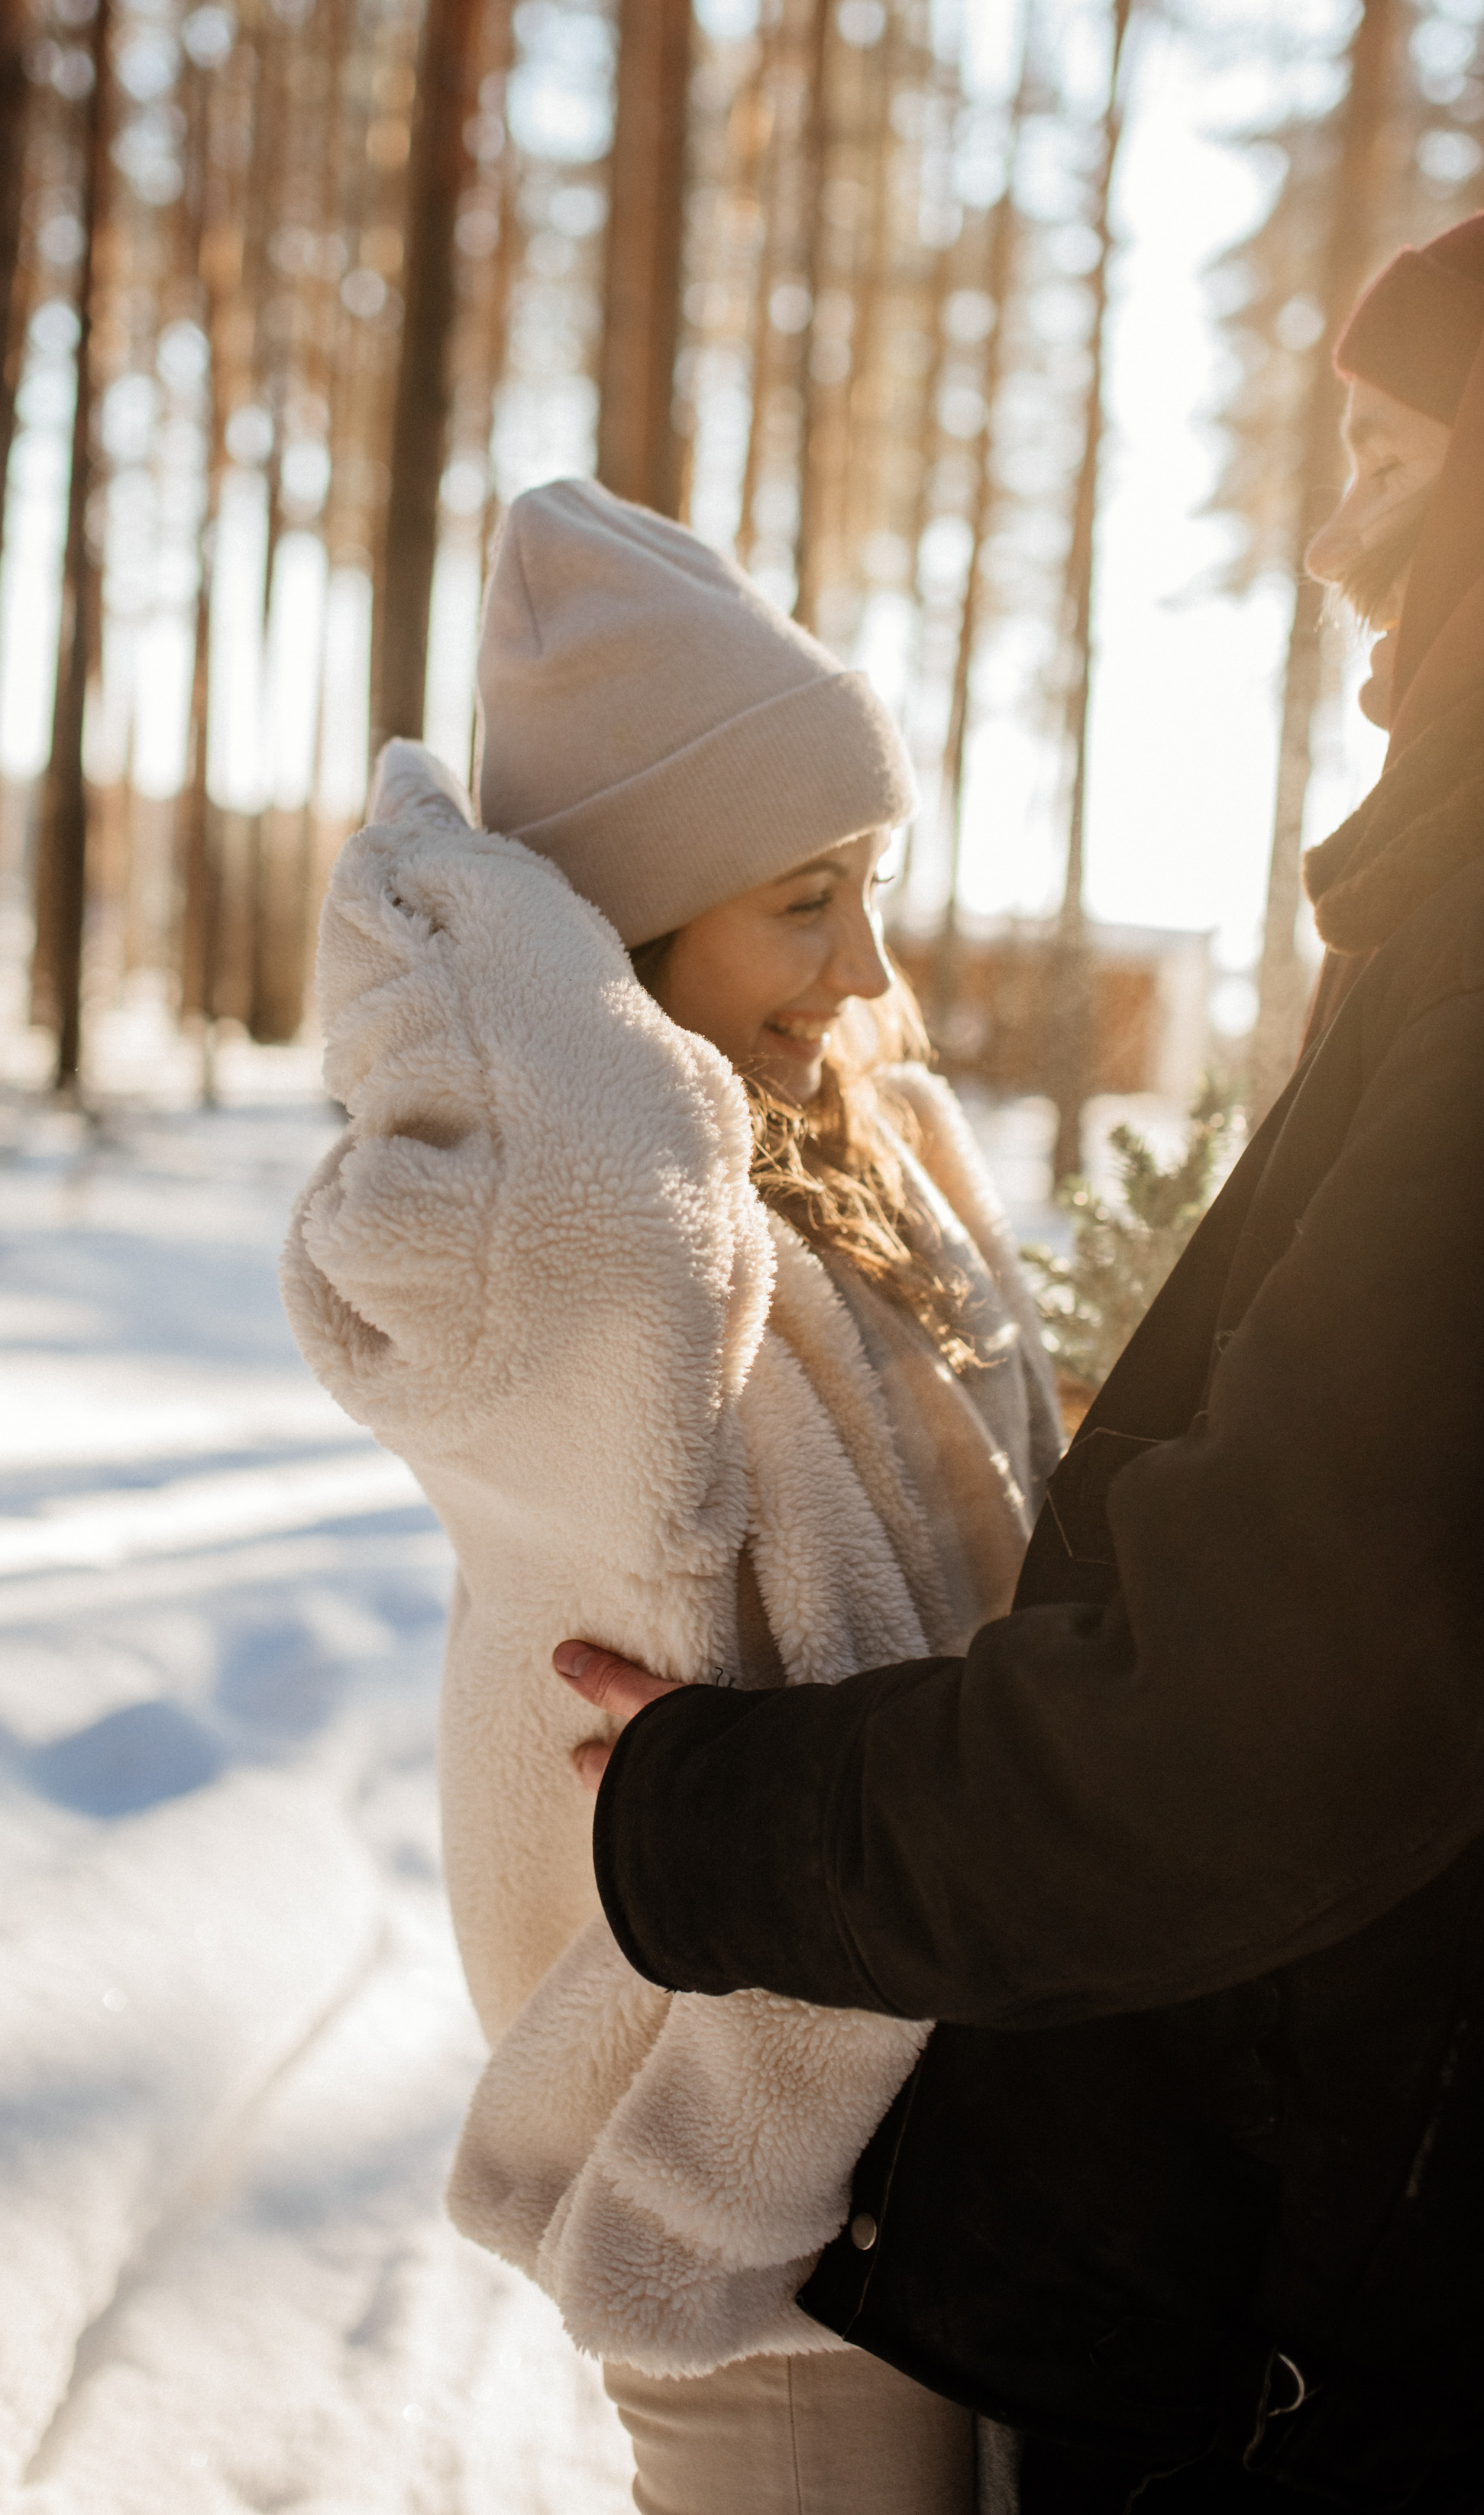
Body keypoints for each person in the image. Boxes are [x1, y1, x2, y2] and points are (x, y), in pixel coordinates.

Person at [563, 129, 1484, 2514]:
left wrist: (712, 1821)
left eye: (1390, 464)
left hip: (1317, 2329)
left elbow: (1263, 1720)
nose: (1338, 536)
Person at [280, 477, 1061, 2514]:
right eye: (803, 896)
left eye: (867, 883)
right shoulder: (575, 1253)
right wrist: (506, 928)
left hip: (949, 2152)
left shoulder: (853, 1152)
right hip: (752, 2219)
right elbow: (589, 1181)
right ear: (618, 942)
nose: (868, 968)